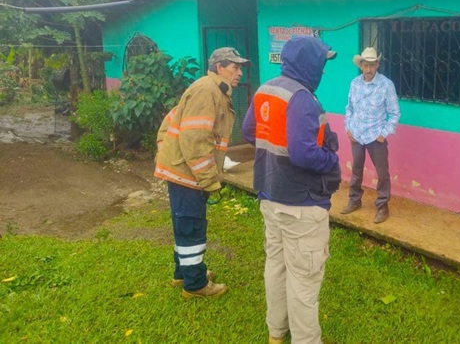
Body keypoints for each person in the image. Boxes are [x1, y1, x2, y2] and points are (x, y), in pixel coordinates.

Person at [243, 36, 341, 344]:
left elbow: (249, 131)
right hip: (301, 203)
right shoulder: (302, 97)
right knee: (304, 280)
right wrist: (332, 160)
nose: (322, 70)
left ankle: (276, 332)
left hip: (270, 195)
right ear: (307, 62)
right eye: (320, 63)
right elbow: (303, 154)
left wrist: (274, 151)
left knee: (276, 265)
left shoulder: (267, 89)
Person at [154, 47, 249, 299]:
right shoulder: (207, 91)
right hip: (188, 175)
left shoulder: (210, 89)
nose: (239, 73)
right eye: (235, 67)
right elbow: (196, 140)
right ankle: (195, 284)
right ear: (220, 68)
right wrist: (209, 181)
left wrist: (167, 153)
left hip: (184, 171)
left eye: (240, 68)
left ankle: (183, 273)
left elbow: (171, 121)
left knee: (184, 223)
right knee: (192, 227)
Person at [341, 47, 400, 224]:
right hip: (357, 134)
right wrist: (348, 127)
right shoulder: (355, 83)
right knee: (356, 170)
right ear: (360, 66)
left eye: (372, 65)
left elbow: (395, 113)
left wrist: (384, 133)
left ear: (377, 65)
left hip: (376, 137)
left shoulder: (386, 85)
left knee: (382, 173)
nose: (368, 69)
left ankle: (382, 206)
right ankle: (354, 200)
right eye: (365, 65)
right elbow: (349, 108)